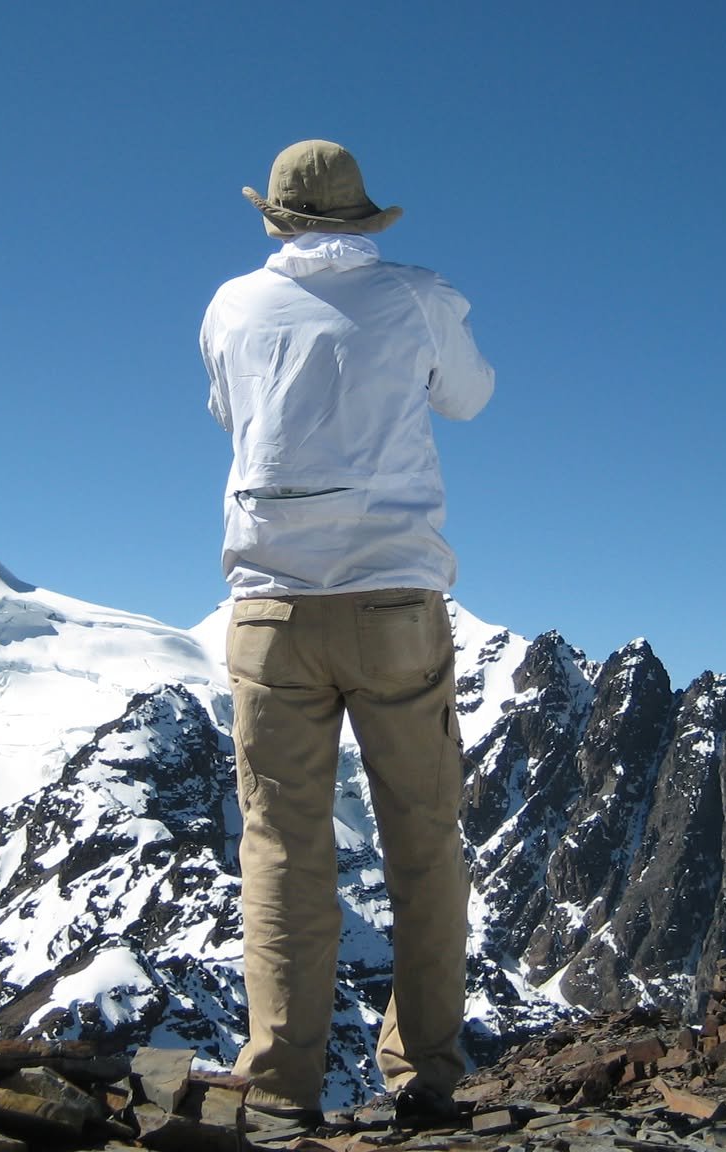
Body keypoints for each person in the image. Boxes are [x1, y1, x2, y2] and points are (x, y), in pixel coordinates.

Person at [200, 139, 495, 1125]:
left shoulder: (230, 307)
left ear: (275, 216)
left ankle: (278, 1088)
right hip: (393, 603)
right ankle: (426, 1076)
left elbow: (229, 414)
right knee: (423, 838)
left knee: (281, 848)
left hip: (270, 609)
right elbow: (469, 396)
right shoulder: (416, 296)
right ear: (363, 217)